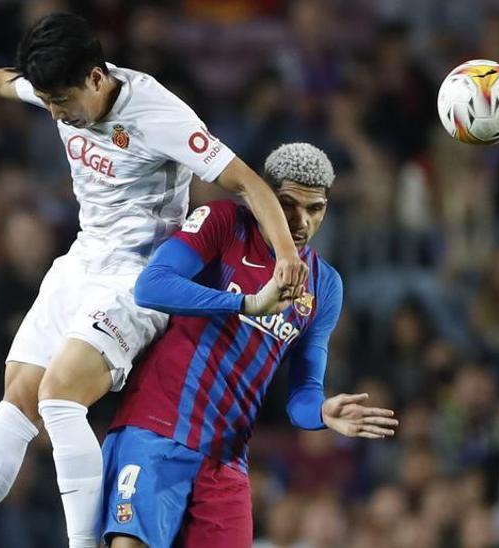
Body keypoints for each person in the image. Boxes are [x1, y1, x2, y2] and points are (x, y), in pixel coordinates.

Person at [0, 13, 309, 548]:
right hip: (81, 261)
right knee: (17, 403)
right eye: (49, 102)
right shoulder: (60, 79)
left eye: (62, 103)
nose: (56, 114)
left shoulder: (159, 114)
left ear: (97, 78)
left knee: (60, 395)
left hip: (140, 273)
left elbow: (249, 183)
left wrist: (287, 255)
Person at [100, 143, 398, 547]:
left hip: (226, 460)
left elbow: (303, 394)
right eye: (288, 204)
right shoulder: (225, 224)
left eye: (316, 209)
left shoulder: (324, 285)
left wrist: (324, 412)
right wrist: (245, 303)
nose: (301, 221)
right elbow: (151, 286)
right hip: (157, 430)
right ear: (264, 196)